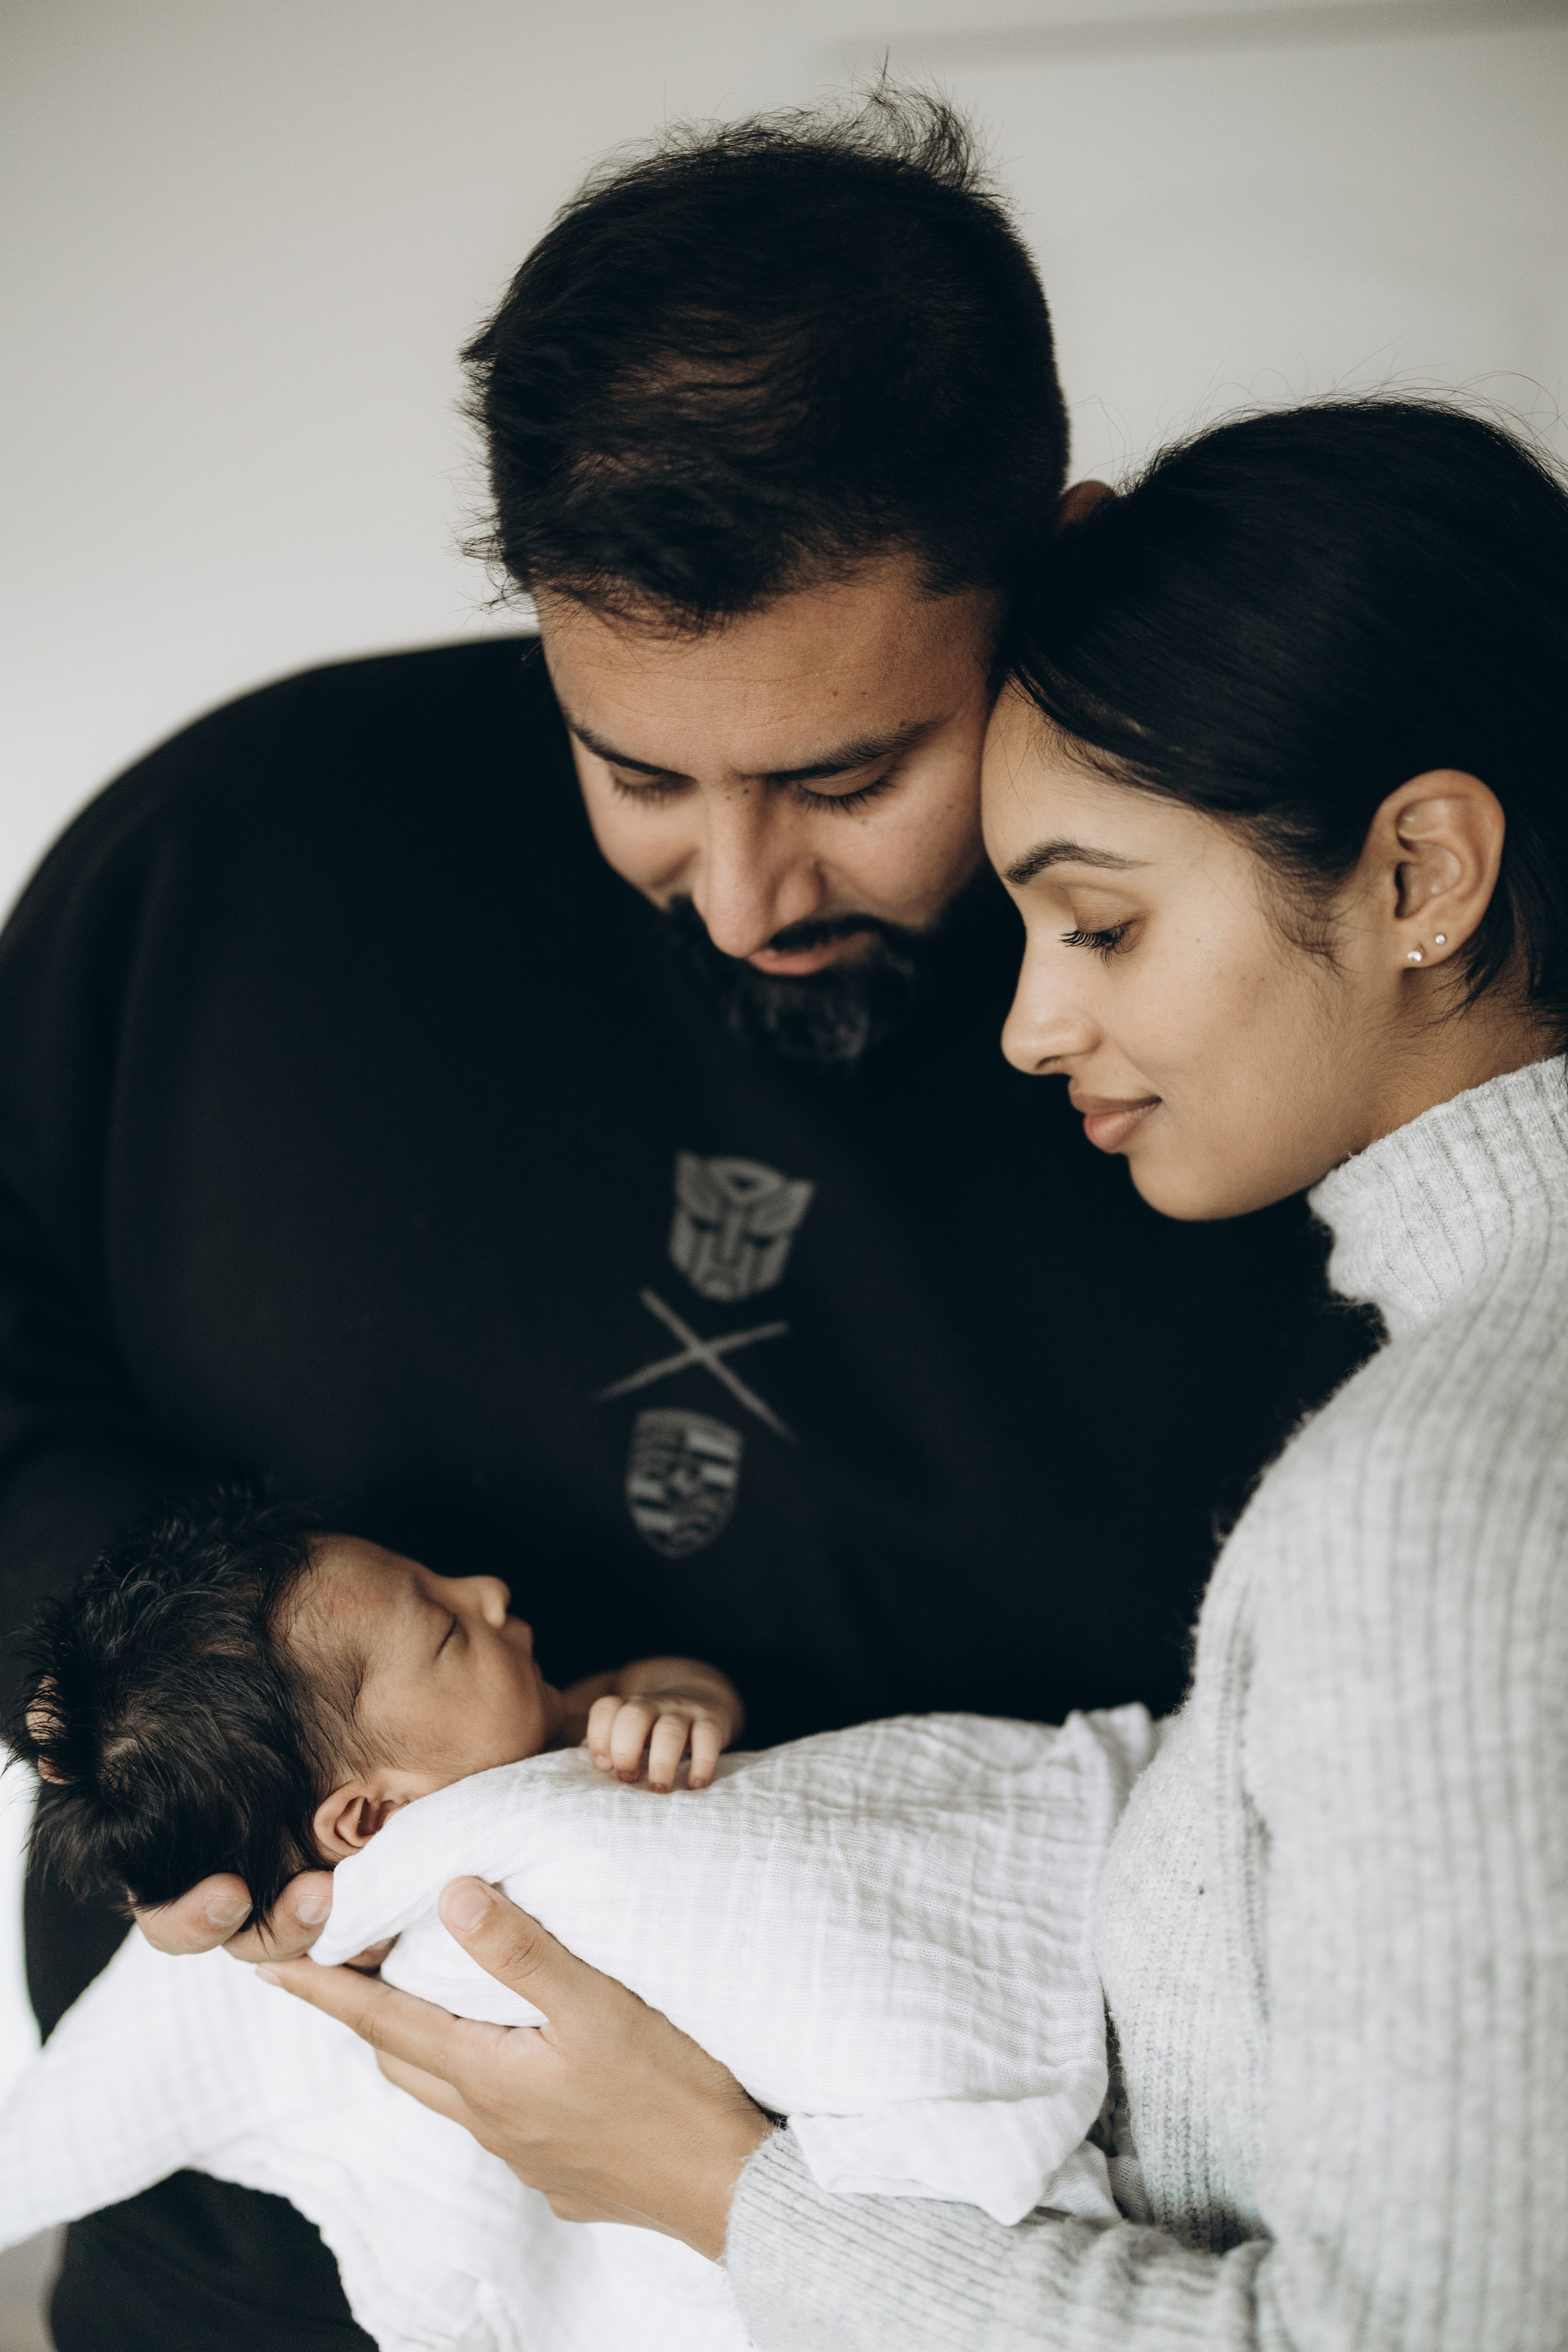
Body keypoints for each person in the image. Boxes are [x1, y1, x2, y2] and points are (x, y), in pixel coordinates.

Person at [0, 94, 1368, 2350]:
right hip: (246, 2291)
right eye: (635, 772)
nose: (740, 895)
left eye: (844, 781)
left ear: (1059, 554)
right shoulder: (232, 857)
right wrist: (182, 1673)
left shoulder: (1254, 1027)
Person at [271, 396, 1568, 2349]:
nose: (1036, 1023)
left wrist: (718, 2187)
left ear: (1421, 872)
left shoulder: (1445, 1498)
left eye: (1102, 922)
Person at [9, 1488, 745, 1921]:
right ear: (372, 1817)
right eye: (450, 1630)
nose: (489, 1588)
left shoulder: (576, 1728)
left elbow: (648, 1674)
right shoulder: (397, 1934)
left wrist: (678, 1702)